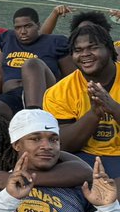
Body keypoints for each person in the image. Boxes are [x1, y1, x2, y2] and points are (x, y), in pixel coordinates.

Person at [42, 22, 120, 178]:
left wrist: (112, 106)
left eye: (93, 47)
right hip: (82, 158)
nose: (85, 54)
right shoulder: (58, 92)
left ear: (109, 49)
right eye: (78, 50)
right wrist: (93, 114)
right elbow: (63, 145)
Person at [0, 6, 72, 113]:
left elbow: (71, 77)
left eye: (28, 26)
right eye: (18, 27)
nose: (23, 31)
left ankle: (34, 114)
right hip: (12, 96)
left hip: (44, 96)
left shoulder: (55, 42)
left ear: (38, 26)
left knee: (32, 64)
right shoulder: (9, 39)